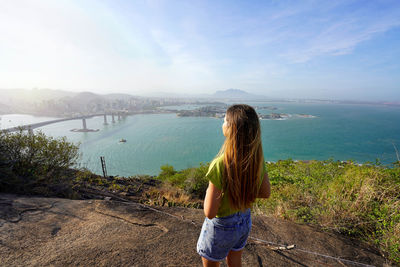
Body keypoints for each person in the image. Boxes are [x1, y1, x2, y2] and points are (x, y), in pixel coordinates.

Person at [197, 104, 271, 267]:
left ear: (231, 129)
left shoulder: (219, 164)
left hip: (222, 226)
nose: (222, 124)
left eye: (224, 121)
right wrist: (241, 192)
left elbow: (210, 212)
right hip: (244, 221)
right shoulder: (257, 160)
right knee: (235, 260)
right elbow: (265, 192)